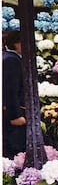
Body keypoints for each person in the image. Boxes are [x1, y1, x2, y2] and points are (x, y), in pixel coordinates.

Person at [2, 31, 26, 159]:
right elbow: (10, 90)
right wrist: (15, 116)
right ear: (17, 44)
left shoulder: (8, 58)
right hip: (14, 117)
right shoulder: (11, 60)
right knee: (15, 148)